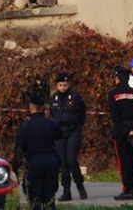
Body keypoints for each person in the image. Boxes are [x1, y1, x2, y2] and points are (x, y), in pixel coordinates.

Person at [11, 94, 62, 210]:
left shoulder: (26, 127)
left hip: (34, 165)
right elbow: (60, 136)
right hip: (51, 163)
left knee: (35, 199)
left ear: (31, 108)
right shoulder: (51, 124)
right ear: (43, 108)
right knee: (49, 199)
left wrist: (14, 169)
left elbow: (19, 151)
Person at [108, 65, 133, 201]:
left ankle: (127, 188)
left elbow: (115, 117)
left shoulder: (114, 94)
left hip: (121, 133)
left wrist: (126, 131)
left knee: (124, 161)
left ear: (117, 78)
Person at [49, 72, 87, 201]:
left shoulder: (75, 97)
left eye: (65, 85)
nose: (62, 88)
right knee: (63, 162)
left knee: (71, 159)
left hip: (73, 131)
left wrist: (76, 124)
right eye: (60, 85)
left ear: (68, 84)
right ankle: (66, 191)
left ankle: (80, 185)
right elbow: (52, 114)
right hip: (60, 133)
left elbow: (82, 113)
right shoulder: (54, 98)